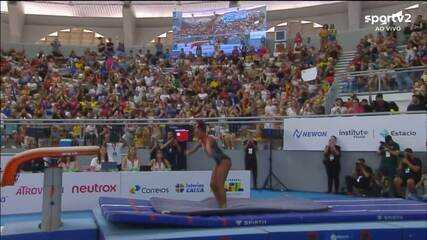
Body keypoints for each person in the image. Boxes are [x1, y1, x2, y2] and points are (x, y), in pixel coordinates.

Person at [186, 120, 232, 208]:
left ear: (201, 131)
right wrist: (187, 152)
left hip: (224, 161)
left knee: (219, 184)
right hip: (219, 162)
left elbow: (209, 150)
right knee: (213, 184)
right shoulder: (201, 141)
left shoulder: (209, 139)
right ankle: (220, 204)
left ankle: (224, 207)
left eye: (196, 131)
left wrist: (208, 149)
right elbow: (191, 151)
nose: (195, 133)